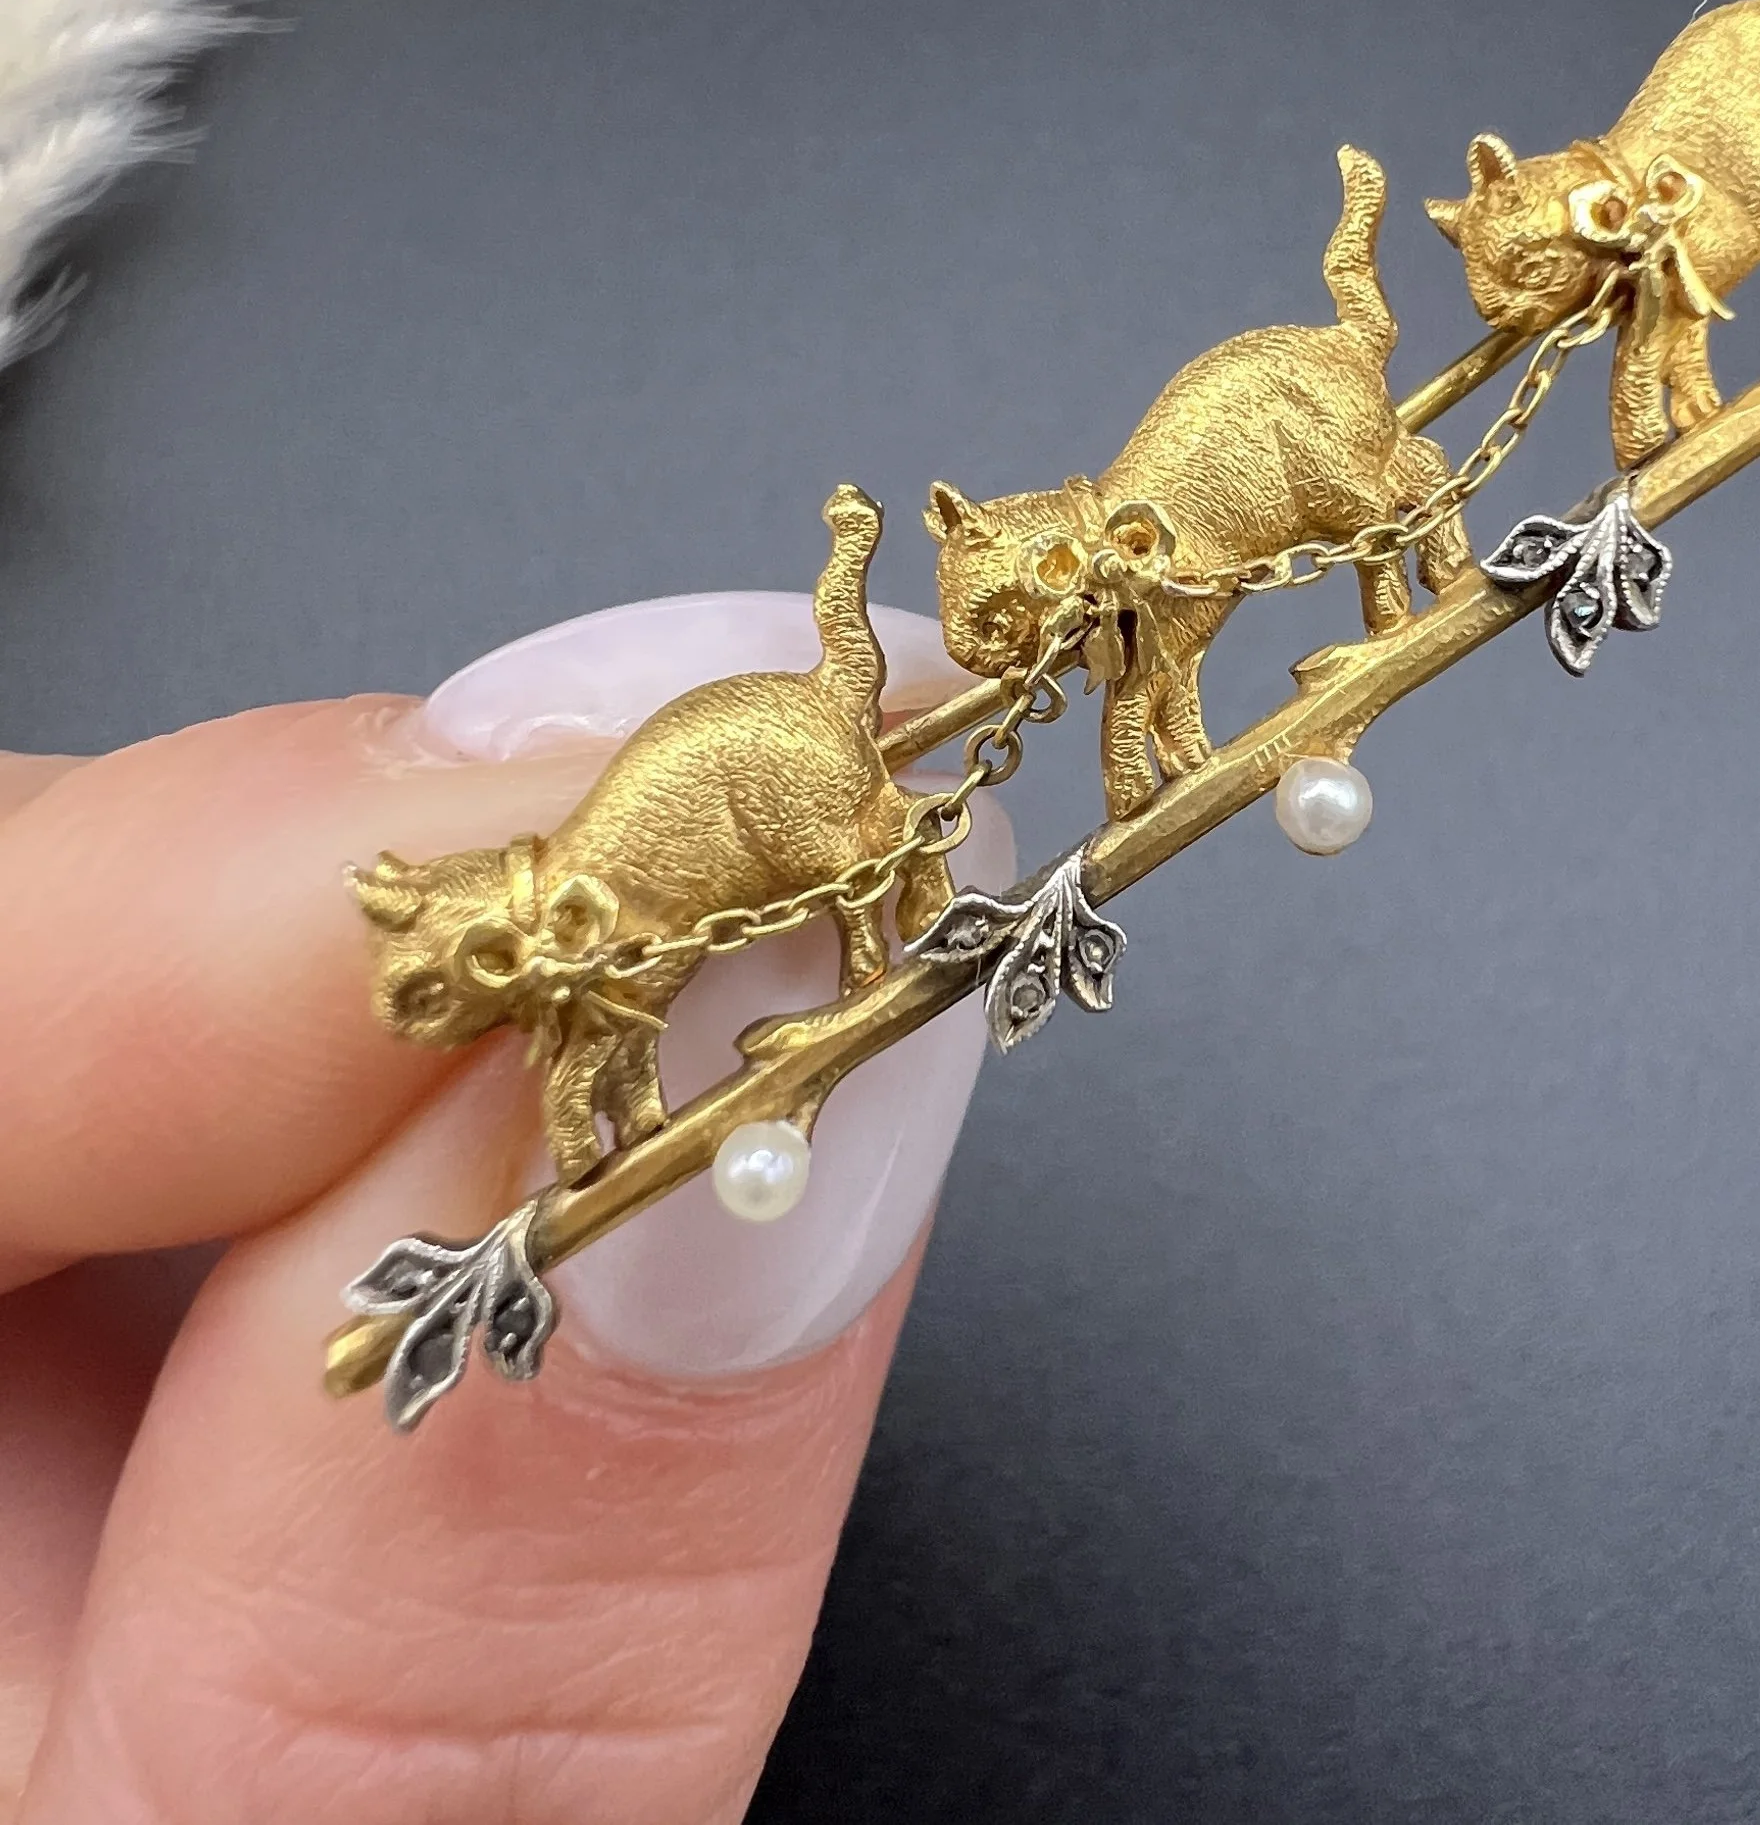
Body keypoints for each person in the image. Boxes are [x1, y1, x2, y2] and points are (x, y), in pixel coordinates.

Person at [0, 592, 1009, 1823]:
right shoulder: (580, 927)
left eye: (482, 971)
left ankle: (875, 906)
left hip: (766, 778)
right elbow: (602, 1025)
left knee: (805, 882)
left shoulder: (597, 907)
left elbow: (618, 1006)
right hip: (736, 783)